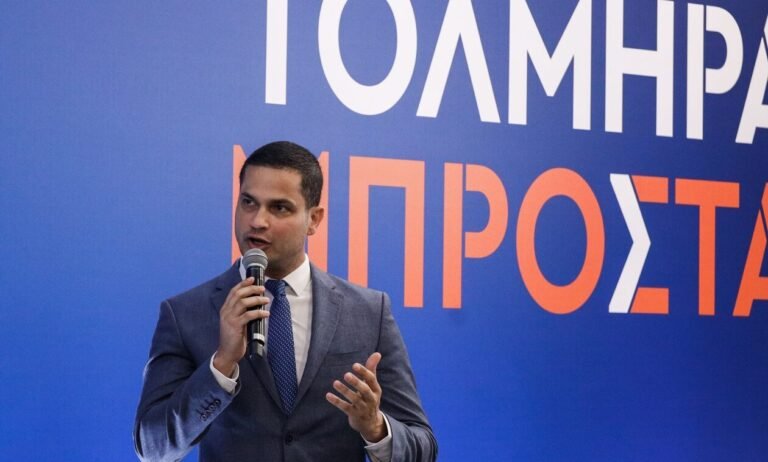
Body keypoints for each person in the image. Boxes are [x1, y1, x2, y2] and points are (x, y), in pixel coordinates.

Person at [133, 141, 437, 461]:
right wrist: (221, 366)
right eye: (248, 202)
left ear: (314, 219)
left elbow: (424, 447)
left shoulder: (368, 312)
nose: (257, 221)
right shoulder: (185, 314)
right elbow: (151, 447)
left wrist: (375, 427)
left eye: (279, 208)